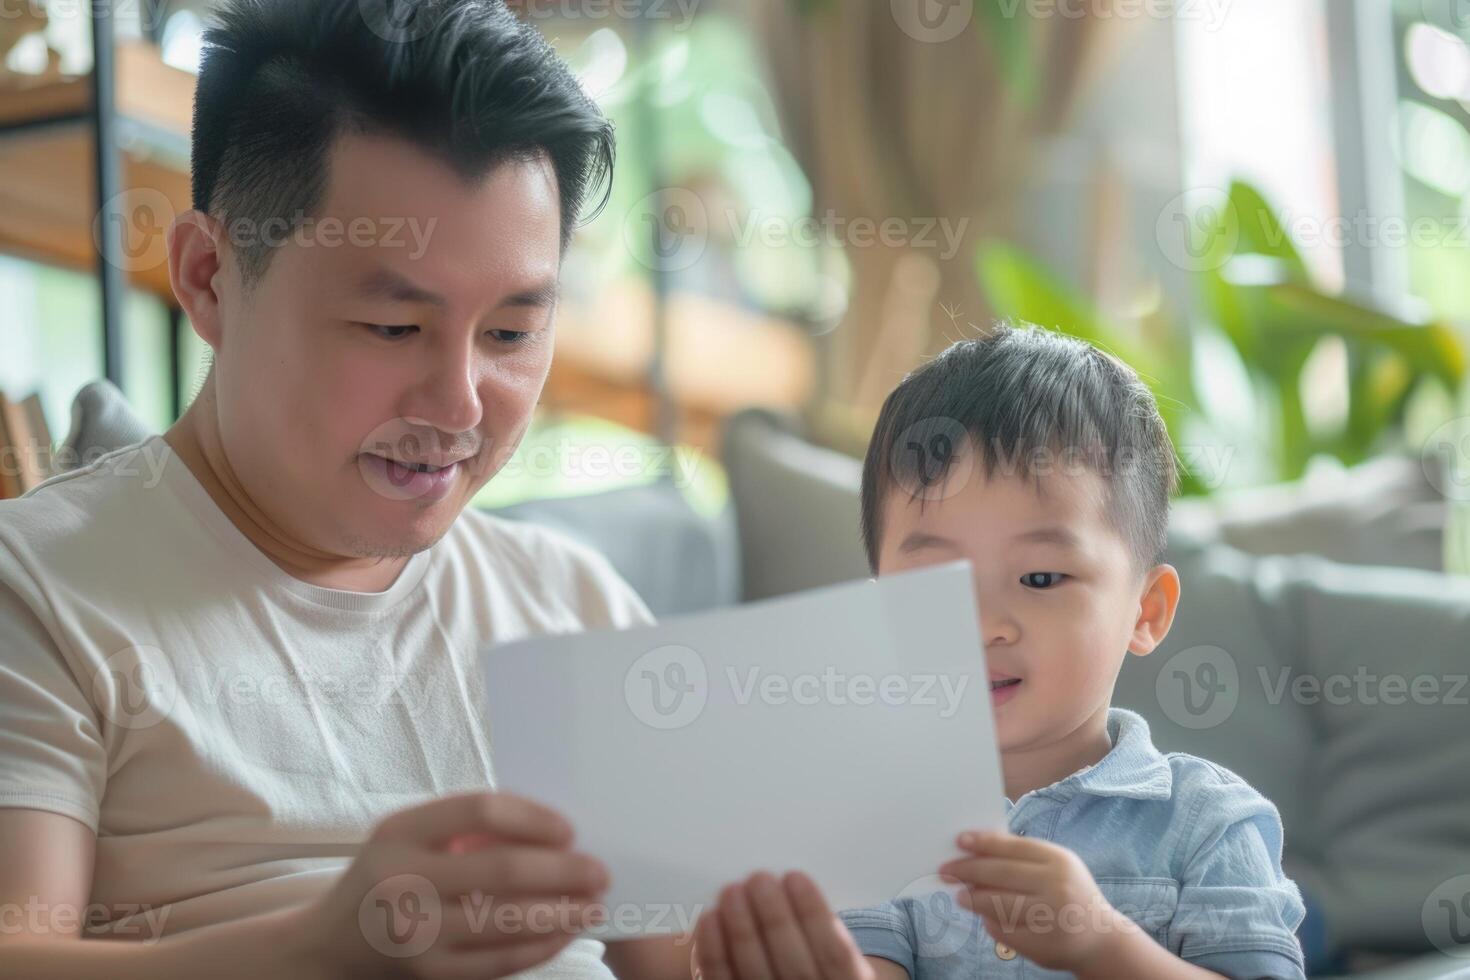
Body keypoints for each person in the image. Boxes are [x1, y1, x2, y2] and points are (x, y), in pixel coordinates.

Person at [0, 1, 689, 976]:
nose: (459, 403)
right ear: (207, 276)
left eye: (509, 333)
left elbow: (679, 960)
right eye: (393, 328)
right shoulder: (38, 589)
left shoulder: (575, 605)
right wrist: (326, 944)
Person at [691, 324, 1308, 980]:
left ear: (1146, 611)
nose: (984, 624)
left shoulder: (1209, 822)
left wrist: (1103, 944)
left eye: (1040, 578)